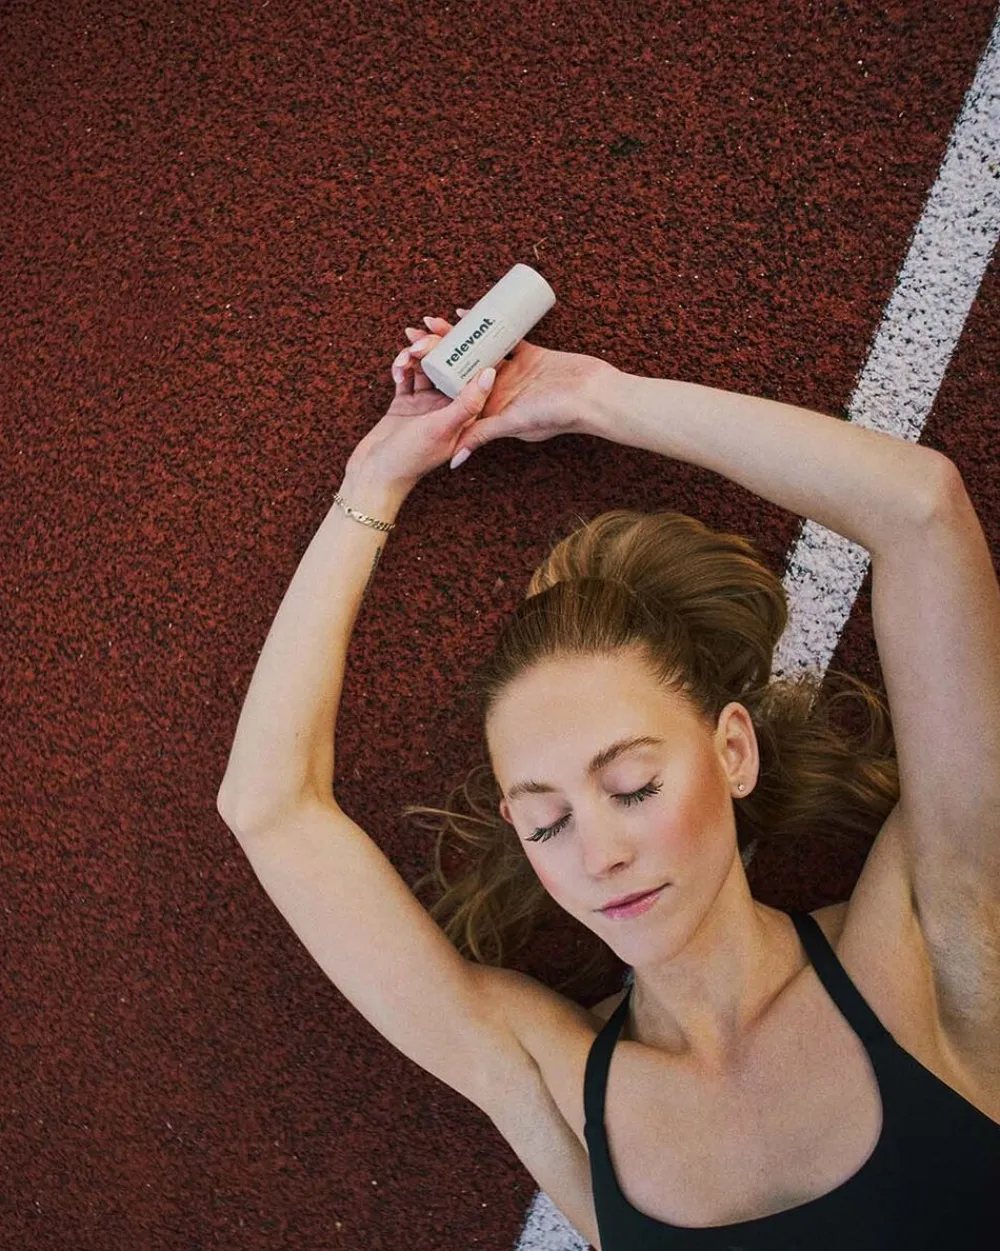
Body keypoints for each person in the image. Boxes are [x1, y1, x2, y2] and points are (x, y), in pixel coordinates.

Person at [218, 308, 1000, 1250]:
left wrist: (592, 396)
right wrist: (373, 478)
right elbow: (268, 804)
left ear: (733, 750)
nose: (600, 854)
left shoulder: (927, 937)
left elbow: (922, 511)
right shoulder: (552, 1082)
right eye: (546, 822)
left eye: (632, 786)